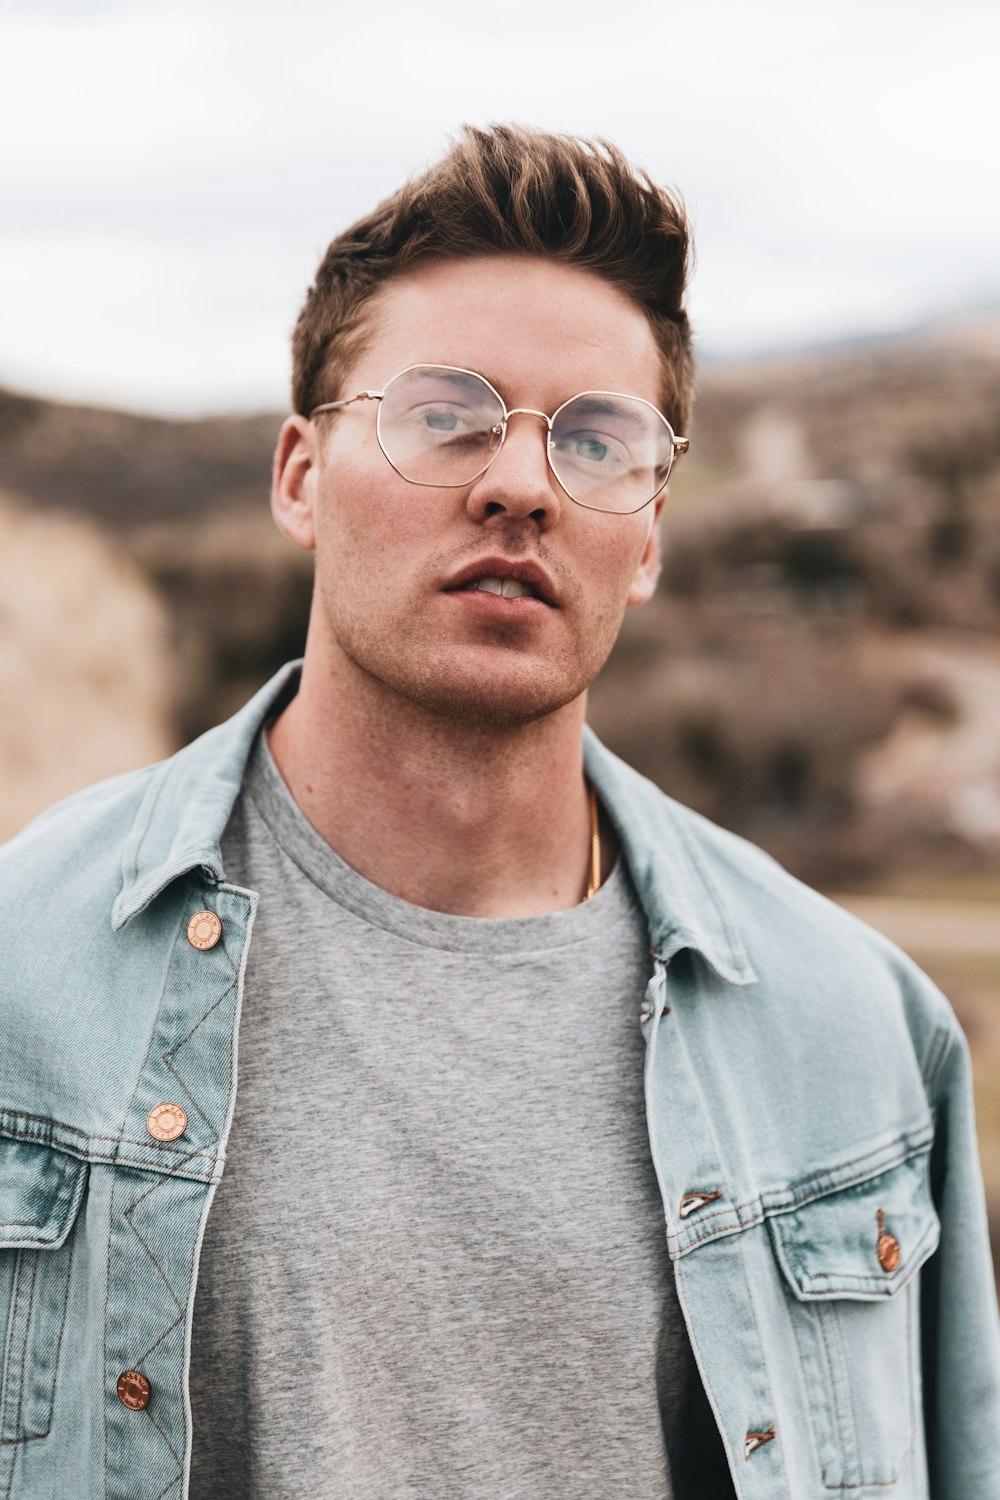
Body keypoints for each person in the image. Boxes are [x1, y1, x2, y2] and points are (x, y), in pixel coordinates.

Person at [0, 124, 997, 1500]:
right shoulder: (21, 978)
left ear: (645, 533)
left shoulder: (857, 1033)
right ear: (299, 475)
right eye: (444, 414)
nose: (521, 482)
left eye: (596, 439)